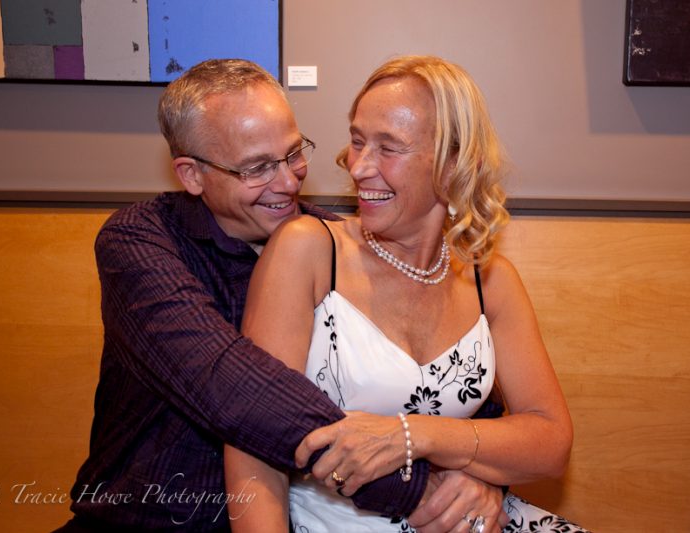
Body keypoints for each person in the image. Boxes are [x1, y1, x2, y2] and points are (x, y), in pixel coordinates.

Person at [54, 58, 507, 532]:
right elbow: (234, 390)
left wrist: (478, 476)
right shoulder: (139, 242)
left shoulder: (332, 242)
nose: (289, 182)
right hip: (147, 518)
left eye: (294, 154)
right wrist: (415, 487)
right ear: (191, 175)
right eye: (258, 168)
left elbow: (465, 401)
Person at [224, 55, 590, 533]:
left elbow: (551, 443)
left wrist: (418, 437)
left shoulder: (489, 281)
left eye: (388, 148)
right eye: (357, 141)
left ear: (454, 162)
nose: (358, 167)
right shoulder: (308, 250)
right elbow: (253, 442)